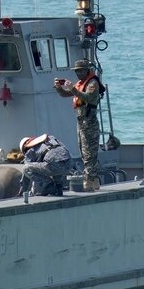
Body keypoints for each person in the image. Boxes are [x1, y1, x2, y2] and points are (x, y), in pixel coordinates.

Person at [54, 58, 104, 191]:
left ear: (87, 70)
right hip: (81, 121)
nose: (78, 74)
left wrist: (73, 89)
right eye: (77, 71)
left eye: (81, 71)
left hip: (89, 121)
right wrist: (59, 88)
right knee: (83, 151)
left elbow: (87, 97)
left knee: (89, 152)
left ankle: (90, 181)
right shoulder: (80, 83)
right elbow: (67, 94)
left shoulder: (92, 83)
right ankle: (93, 180)